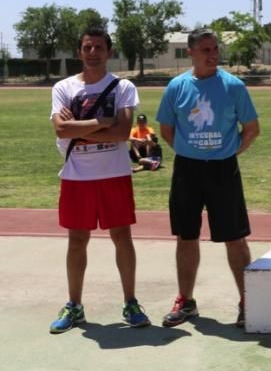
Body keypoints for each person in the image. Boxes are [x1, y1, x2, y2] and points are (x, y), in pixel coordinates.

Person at [156, 28, 260, 328]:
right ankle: (185, 301)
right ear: (190, 52)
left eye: (215, 49)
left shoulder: (233, 86)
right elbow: (166, 130)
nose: (213, 54)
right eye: (206, 50)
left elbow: (251, 128)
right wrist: (190, 150)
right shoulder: (176, 87)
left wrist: (228, 152)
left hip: (223, 170)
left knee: (235, 238)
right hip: (187, 170)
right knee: (186, 236)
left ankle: (247, 302)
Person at [48, 27, 151, 333]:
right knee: (77, 240)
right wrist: (99, 122)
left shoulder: (123, 87)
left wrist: (79, 128)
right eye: (87, 47)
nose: (93, 52)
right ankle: (75, 305)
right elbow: (60, 131)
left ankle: (130, 302)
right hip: (77, 175)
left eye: (98, 47)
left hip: (114, 174)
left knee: (122, 237)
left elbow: (122, 133)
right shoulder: (63, 88)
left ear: (109, 52)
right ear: (79, 51)